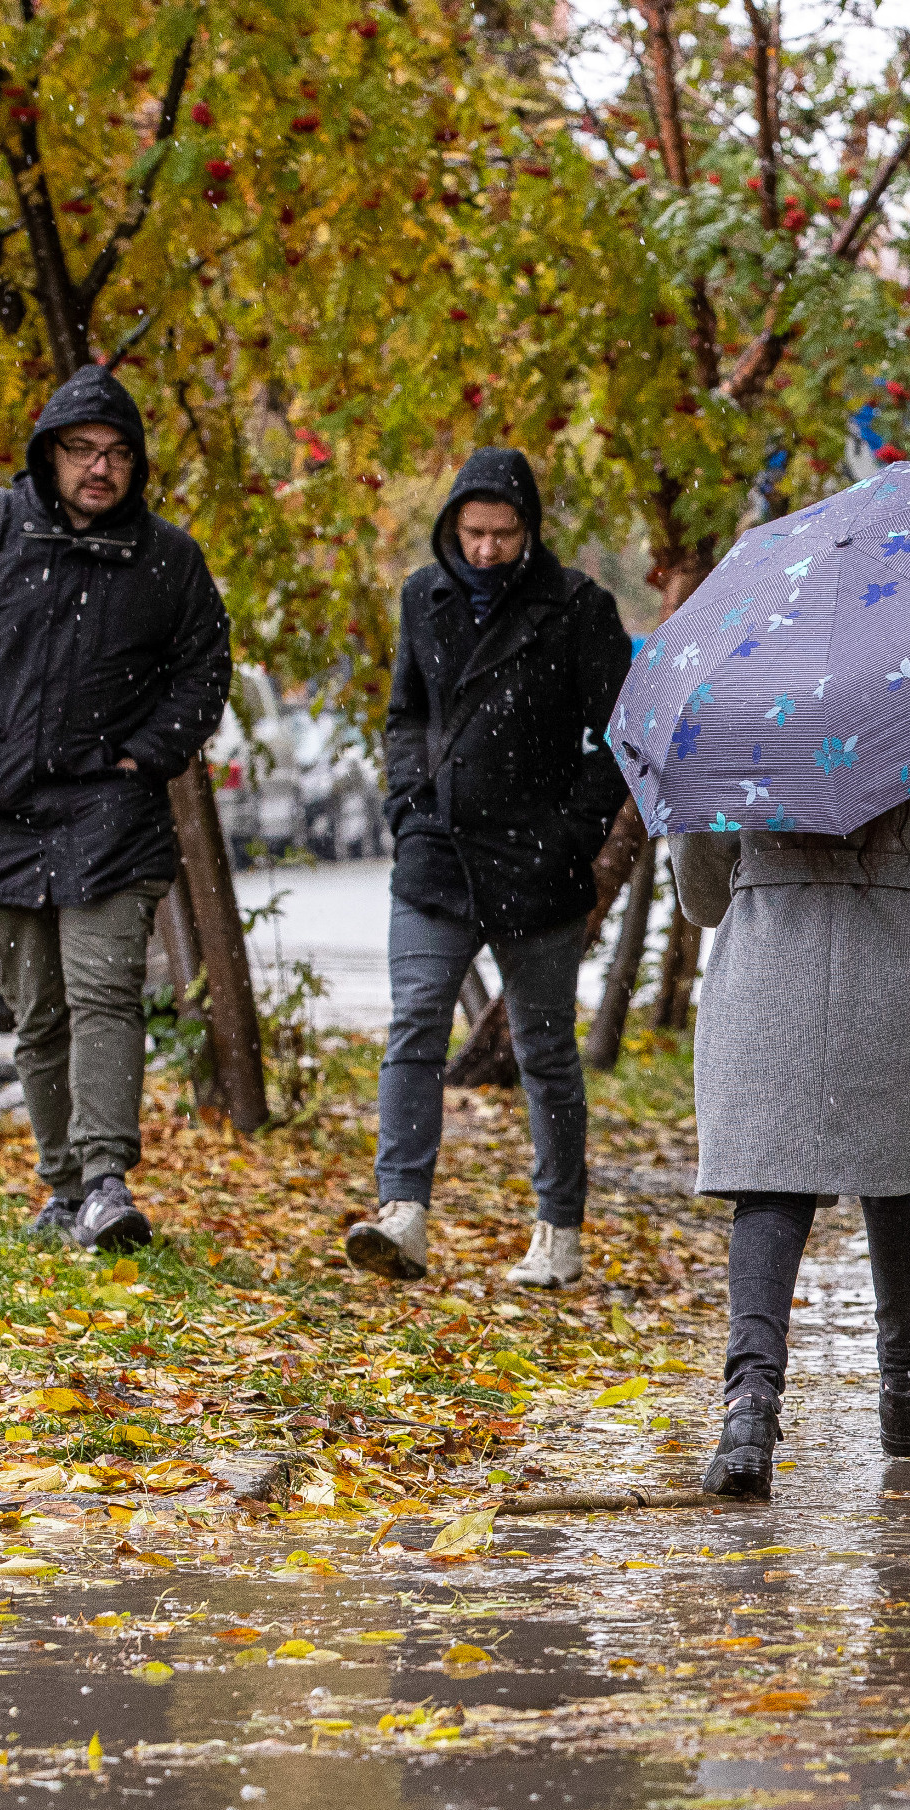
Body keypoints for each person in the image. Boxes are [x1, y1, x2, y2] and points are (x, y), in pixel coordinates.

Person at [0, 364, 231, 1254]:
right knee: (34, 1006)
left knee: (103, 990)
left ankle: (108, 1178)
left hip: (115, 813)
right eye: (80, 451)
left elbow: (205, 668)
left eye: (116, 453)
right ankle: (66, 1188)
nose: (99, 469)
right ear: (49, 455)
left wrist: (145, 754)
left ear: (136, 464)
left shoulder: (167, 560)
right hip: (5, 806)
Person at [677, 762, 910, 1501]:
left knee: (768, 1184)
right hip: (895, 952)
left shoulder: (737, 697)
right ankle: (907, 1376)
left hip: (771, 956)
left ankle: (749, 1407)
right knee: (895, 1164)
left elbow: (702, 892)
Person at [344, 449, 631, 1289]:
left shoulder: (578, 609)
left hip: (536, 863)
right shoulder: (422, 598)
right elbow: (405, 715)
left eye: (504, 534)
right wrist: (408, 805)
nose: (486, 550)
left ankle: (558, 1229)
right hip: (437, 854)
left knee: (545, 1051)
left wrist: (572, 834)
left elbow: (618, 736)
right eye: (473, 532)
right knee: (416, 1024)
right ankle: (402, 1213)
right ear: (451, 527)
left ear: (529, 532)